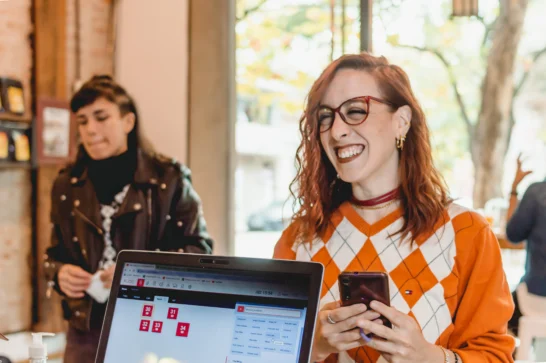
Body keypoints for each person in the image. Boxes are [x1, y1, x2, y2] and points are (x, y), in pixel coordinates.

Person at [273, 53, 515, 362]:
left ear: (401, 122)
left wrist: (431, 358)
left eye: (356, 110)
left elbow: (495, 355)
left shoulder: (466, 232)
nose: (336, 131)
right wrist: (314, 346)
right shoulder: (298, 239)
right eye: (325, 116)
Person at [44, 75, 213, 363]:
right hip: (85, 331)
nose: (91, 129)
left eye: (101, 117)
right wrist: (59, 274)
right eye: (83, 121)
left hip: (155, 326)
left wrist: (135, 270)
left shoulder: (168, 179)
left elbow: (200, 252)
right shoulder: (66, 184)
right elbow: (52, 257)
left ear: (128, 122)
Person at [505, 154, 546, 335]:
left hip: (536, 298)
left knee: (497, 321)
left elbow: (512, 235)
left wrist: (514, 188)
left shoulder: (537, 193)